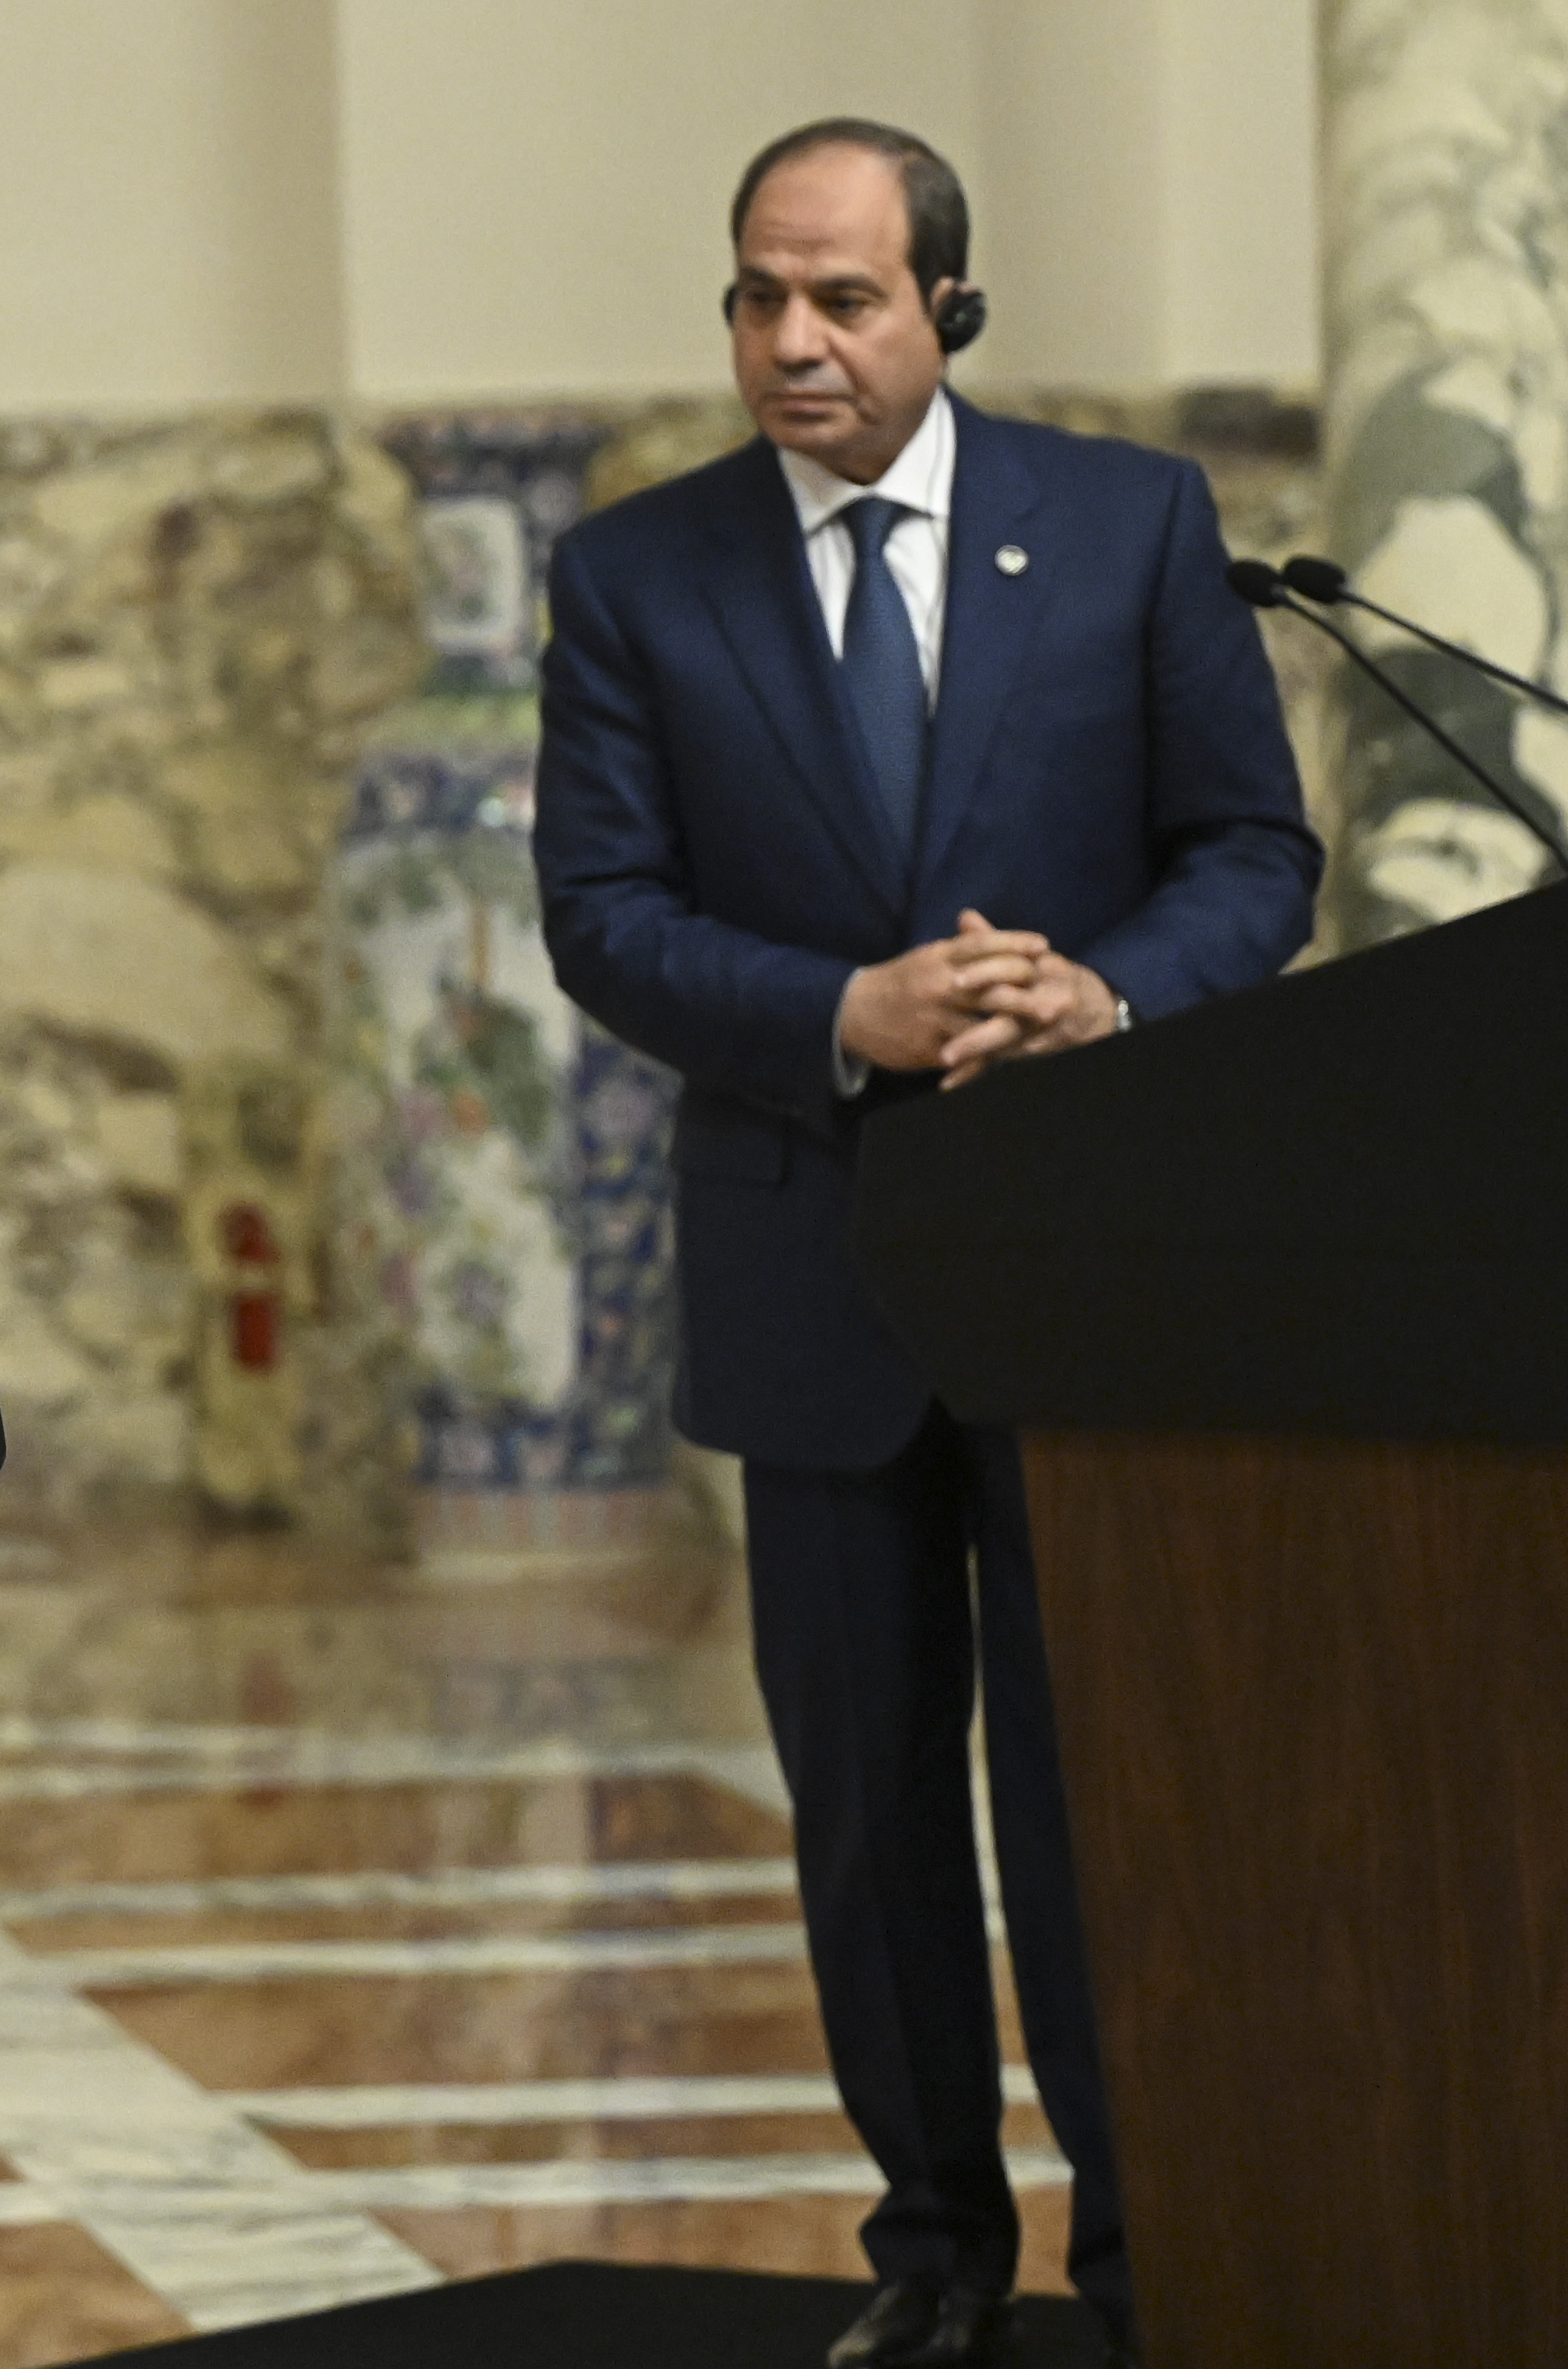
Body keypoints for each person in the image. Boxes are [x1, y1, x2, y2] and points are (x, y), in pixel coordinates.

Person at [534, 118, 1316, 2369]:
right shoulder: (634, 576)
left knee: (1094, 1811)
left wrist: (1110, 991)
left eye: (843, 299)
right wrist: (834, 1015)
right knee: (867, 1814)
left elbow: (1250, 851)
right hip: (814, 1273)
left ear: (947, 308)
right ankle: (934, 2268)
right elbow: (598, 920)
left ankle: (1150, 2266)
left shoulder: (1128, 526)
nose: (792, 341)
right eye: (757, 297)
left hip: (1084, 1273)